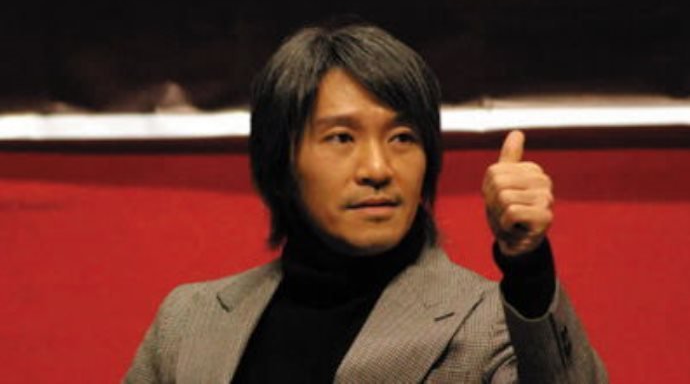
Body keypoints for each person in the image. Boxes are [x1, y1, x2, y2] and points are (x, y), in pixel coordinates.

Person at [124, 23, 607, 383]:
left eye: (402, 138)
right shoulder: (189, 320)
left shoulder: (490, 322)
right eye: (341, 137)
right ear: (282, 158)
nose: (377, 168)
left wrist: (528, 268)